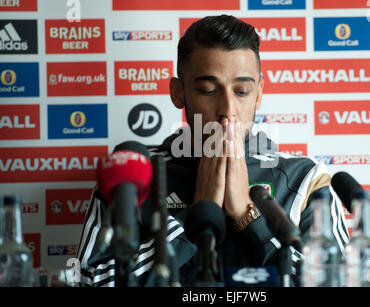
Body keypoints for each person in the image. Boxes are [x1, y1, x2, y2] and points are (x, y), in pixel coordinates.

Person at [76, 15, 350, 287]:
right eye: (209, 90)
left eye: (242, 91)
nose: (228, 110)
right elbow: (91, 281)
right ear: (178, 92)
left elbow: (339, 281)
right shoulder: (131, 173)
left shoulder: (305, 178)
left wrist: (247, 214)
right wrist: (197, 213)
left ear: (259, 93)